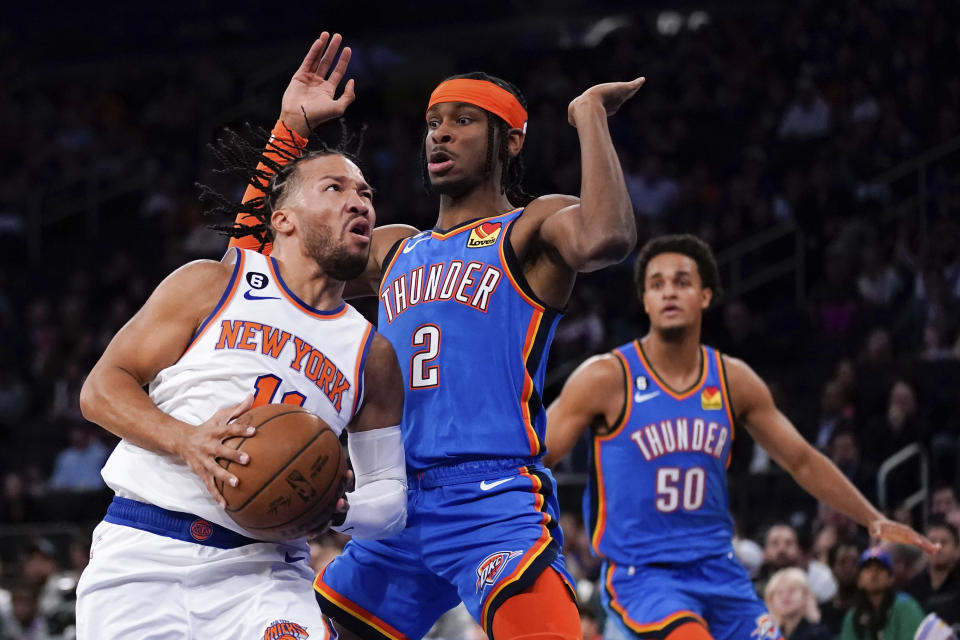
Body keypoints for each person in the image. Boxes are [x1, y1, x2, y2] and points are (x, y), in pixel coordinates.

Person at [229, 34, 643, 640]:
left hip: (492, 497)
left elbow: (607, 235)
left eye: (463, 120)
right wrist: (290, 130)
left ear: (512, 140)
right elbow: (265, 252)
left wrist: (588, 118)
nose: (439, 134)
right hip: (395, 505)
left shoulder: (529, 228)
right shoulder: (395, 245)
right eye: (432, 123)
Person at [75, 34, 407, 640]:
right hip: (142, 556)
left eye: (365, 194)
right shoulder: (213, 283)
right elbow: (99, 391)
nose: (358, 202)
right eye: (334, 188)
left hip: (265, 575)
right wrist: (187, 441)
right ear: (282, 218)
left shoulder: (373, 352)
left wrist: (339, 507)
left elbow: (388, 501)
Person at [544, 235, 938, 640]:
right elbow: (536, 459)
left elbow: (801, 458)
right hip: (645, 576)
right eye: (657, 284)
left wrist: (873, 518)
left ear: (706, 296)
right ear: (645, 301)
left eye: (682, 282)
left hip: (720, 572)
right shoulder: (606, 377)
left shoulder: (733, 380)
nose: (669, 293)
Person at [841, 548, 925, 640]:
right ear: (859, 580)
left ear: (891, 578)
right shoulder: (853, 615)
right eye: (868, 569)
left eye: (880, 568)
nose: (874, 574)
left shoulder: (906, 606)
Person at [906, 518, 960, 628]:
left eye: (944, 542)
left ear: (957, 549)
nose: (937, 547)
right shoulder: (912, 587)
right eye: (932, 542)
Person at [764, 568, 832, 640]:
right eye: (779, 592)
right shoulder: (769, 635)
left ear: (806, 596)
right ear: (770, 600)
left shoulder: (818, 633)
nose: (785, 596)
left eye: (792, 590)